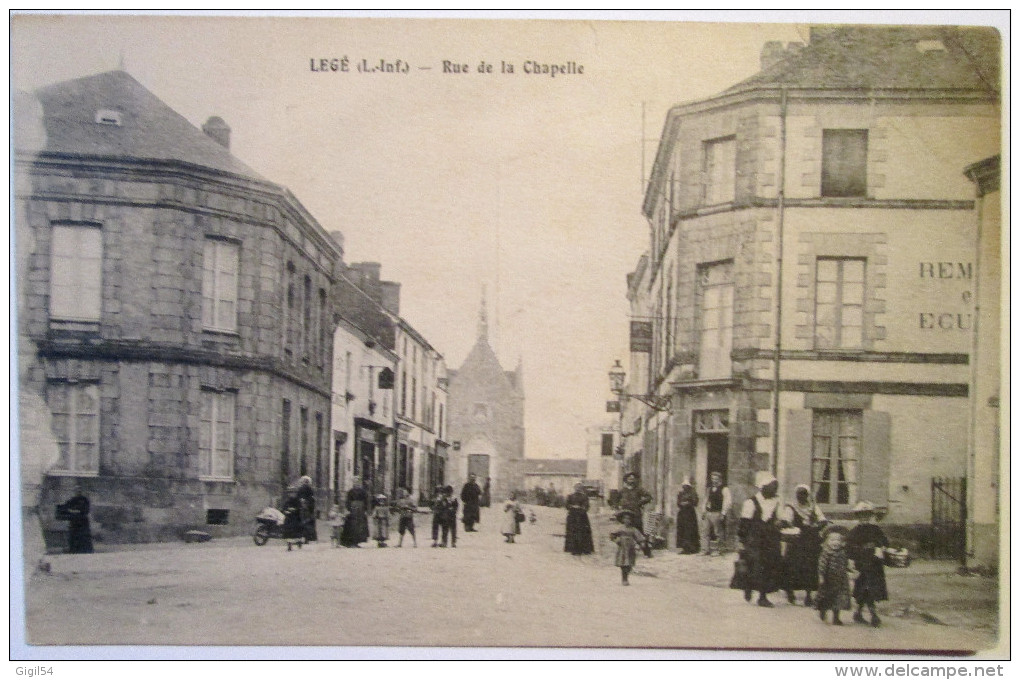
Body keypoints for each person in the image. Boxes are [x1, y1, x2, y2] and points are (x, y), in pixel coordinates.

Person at [737, 472, 783, 607]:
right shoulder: (751, 502)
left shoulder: (776, 502)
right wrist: (742, 541)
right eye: (772, 486)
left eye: (776, 487)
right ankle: (748, 587)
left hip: (770, 539)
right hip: (755, 540)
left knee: (768, 566)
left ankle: (763, 596)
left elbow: (780, 519)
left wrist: (779, 523)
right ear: (762, 487)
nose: (775, 490)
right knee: (753, 565)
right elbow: (744, 524)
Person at [780, 484, 827, 606]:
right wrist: (789, 526)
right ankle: (790, 592)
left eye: (804, 494)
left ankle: (808, 595)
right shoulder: (791, 507)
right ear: (796, 495)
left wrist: (817, 525)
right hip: (797, 541)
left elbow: (823, 520)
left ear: (807, 495)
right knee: (791, 566)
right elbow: (786, 521)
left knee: (810, 567)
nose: (801, 496)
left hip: (811, 540)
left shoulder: (813, 507)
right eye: (799, 494)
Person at [848, 501, 889, 627]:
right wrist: (857, 554)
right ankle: (874, 615)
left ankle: (858, 613)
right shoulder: (855, 531)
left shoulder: (876, 529)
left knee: (869, 589)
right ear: (858, 517)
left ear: (871, 516)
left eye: (867, 515)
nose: (864, 518)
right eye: (861, 515)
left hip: (875, 564)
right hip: (862, 564)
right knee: (865, 588)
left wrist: (880, 548)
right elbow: (849, 547)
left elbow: (884, 542)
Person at [816, 524, 852, 625]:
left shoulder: (843, 553)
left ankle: (836, 617)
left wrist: (849, 569)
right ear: (827, 542)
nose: (835, 543)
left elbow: (845, 563)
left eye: (838, 541)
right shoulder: (826, 553)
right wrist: (821, 577)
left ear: (842, 542)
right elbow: (821, 566)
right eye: (832, 540)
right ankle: (823, 610)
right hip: (828, 580)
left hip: (841, 580)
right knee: (826, 597)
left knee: (839, 599)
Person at [701, 471, 732, 556]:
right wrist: (703, 511)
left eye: (716, 479)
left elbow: (727, 502)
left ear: (719, 479)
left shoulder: (724, 489)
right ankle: (705, 549)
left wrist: (723, 513)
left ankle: (719, 549)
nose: (714, 480)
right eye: (713, 479)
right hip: (708, 512)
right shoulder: (709, 489)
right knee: (705, 531)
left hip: (717, 512)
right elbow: (705, 500)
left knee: (718, 532)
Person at [610, 510, 645, 586]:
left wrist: (641, 544)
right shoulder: (620, 528)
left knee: (629, 564)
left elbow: (639, 537)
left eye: (629, 519)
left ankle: (627, 575)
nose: (627, 520)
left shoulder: (633, 529)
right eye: (625, 519)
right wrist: (616, 540)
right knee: (623, 564)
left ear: (631, 520)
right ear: (622, 520)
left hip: (630, 548)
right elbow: (612, 535)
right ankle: (624, 579)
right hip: (622, 548)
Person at [564, 483, 595, 555]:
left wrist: (581, 508)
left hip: (581, 517)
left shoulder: (584, 497)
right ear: (574, 488)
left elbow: (586, 506)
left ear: (581, 489)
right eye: (576, 487)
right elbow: (566, 505)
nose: (577, 489)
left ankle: (584, 549)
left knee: (582, 532)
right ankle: (573, 549)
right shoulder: (570, 496)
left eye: (579, 487)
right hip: (572, 517)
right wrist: (572, 507)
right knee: (573, 532)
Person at [340, 481, 370, 547]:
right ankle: (351, 542)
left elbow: (366, 501)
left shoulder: (363, 492)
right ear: (353, 484)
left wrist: (366, 509)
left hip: (361, 510)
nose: (357, 484)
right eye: (355, 483)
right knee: (352, 525)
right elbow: (348, 500)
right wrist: (348, 509)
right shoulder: (350, 491)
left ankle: (357, 542)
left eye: (358, 483)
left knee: (360, 526)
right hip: (353, 510)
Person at [63, 490, 94, 554]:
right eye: (77, 491)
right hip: (75, 521)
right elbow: (66, 507)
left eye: (79, 491)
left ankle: (84, 549)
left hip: (82, 521)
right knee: (74, 535)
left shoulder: (85, 500)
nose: (78, 492)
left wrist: (75, 511)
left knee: (83, 536)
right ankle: (73, 549)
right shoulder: (72, 500)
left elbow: (86, 510)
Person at [675, 479, 700, 554]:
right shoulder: (680, 493)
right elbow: (678, 503)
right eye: (684, 486)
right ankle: (684, 547)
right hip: (682, 513)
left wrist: (688, 503)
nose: (685, 487)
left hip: (690, 514)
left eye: (686, 486)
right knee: (682, 530)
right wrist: (681, 504)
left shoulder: (693, 493)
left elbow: (695, 502)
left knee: (690, 530)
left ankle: (692, 548)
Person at [296, 475, 317, 543]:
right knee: (307, 523)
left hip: (303, 508)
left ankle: (302, 538)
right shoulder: (309, 489)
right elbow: (312, 499)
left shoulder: (301, 489)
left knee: (302, 523)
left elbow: (298, 498)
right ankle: (307, 538)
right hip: (308, 508)